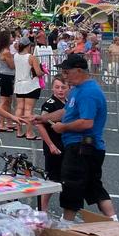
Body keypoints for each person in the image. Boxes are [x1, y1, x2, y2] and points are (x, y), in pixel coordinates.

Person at [35, 53, 117, 222]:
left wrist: (62, 127)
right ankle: (114, 221)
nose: (65, 77)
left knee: (72, 186)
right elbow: (66, 112)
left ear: (78, 70)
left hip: (82, 147)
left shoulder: (88, 93)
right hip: (85, 147)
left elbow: (87, 123)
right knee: (93, 186)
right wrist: (43, 118)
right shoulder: (77, 90)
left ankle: (66, 225)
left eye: (67, 72)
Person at [34, 74, 67, 210]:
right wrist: (50, 145)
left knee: (64, 178)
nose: (60, 90)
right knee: (52, 179)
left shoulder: (68, 102)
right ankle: (42, 209)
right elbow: (40, 124)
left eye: (63, 87)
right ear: (52, 88)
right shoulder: (49, 104)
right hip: (54, 145)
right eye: (57, 87)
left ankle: (67, 210)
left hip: (66, 144)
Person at [13, 36, 43, 139]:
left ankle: (19, 131)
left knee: (19, 108)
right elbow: (38, 73)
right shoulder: (31, 57)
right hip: (30, 84)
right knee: (28, 109)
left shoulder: (16, 56)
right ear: (29, 46)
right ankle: (29, 133)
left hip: (19, 84)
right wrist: (43, 71)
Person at [0, 29, 16, 133]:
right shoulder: (6, 52)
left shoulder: (4, 50)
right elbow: (12, 66)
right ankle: (1, 123)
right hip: (6, 77)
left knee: (8, 101)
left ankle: (9, 122)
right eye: (11, 37)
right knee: (4, 102)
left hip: (6, 76)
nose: (13, 39)